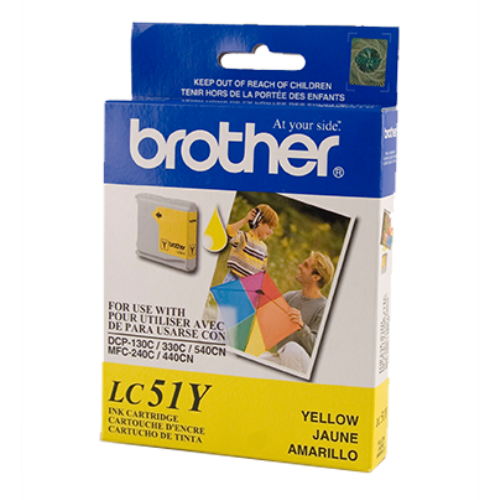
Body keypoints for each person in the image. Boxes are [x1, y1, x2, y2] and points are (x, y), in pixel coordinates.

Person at [262, 251, 335, 373]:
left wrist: (301, 327)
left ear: (316, 277)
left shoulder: (324, 308)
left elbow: (318, 349)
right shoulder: (290, 297)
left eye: (305, 265)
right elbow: (265, 327)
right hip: (284, 358)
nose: (299, 266)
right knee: (258, 358)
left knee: (292, 348)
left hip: (308, 367)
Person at [223, 204, 279, 283]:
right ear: (260, 222)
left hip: (247, 286)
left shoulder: (264, 249)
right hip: (233, 281)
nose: (271, 232)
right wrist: (245, 220)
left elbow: (261, 273)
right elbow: (229, 231)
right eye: (270, 227)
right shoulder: (244, 238)